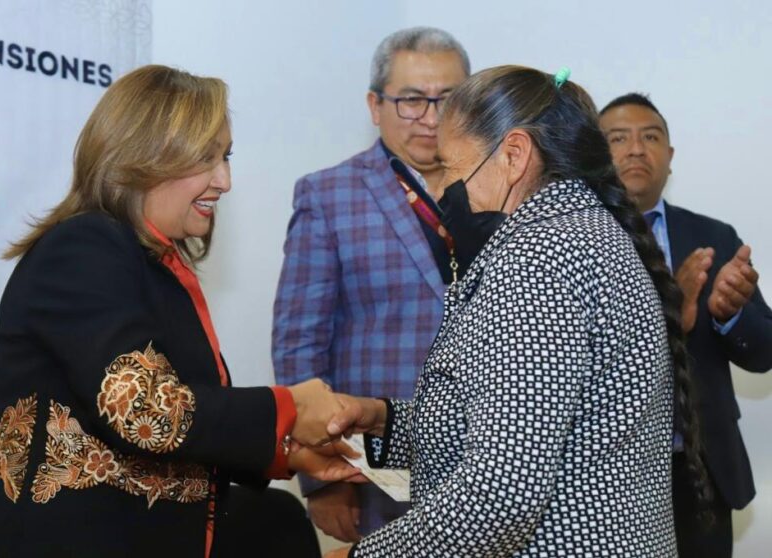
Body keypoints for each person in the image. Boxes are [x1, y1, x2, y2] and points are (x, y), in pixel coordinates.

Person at [0, 65, 364, 558]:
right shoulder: (83, 246)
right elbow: (142, 410)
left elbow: (176, 429)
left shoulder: (151, 264)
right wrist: (290, 407)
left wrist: (287, 452)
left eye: (226, 157)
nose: (225, 180)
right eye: (206, 158)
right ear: (142, 158)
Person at [322, 65, 711, 558]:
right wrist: (384, 423)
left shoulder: (539, 257)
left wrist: (363, 557)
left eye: (449, 168)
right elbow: (527, 422)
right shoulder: (580, 234)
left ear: (513, 155)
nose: (440, 191)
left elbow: (501, 496)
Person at [272, 27, 470, 541]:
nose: (431, 118)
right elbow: (299, 345)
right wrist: (322, 477)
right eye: (411, 100)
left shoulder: (500, 187)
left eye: (448, 100)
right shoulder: (328, 194)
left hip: (487, 459)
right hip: (376, 468)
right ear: (374, 105)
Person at [599, 93, 772, 558]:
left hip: (701, 470)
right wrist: (670, 312)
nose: (637, 149)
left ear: (670, 157)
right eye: (619, 139)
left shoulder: (713, 238)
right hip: (608, 476)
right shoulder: (575, 240)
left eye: (651, 137)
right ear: (595, 154)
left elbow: (764, 353)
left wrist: (729, 314)